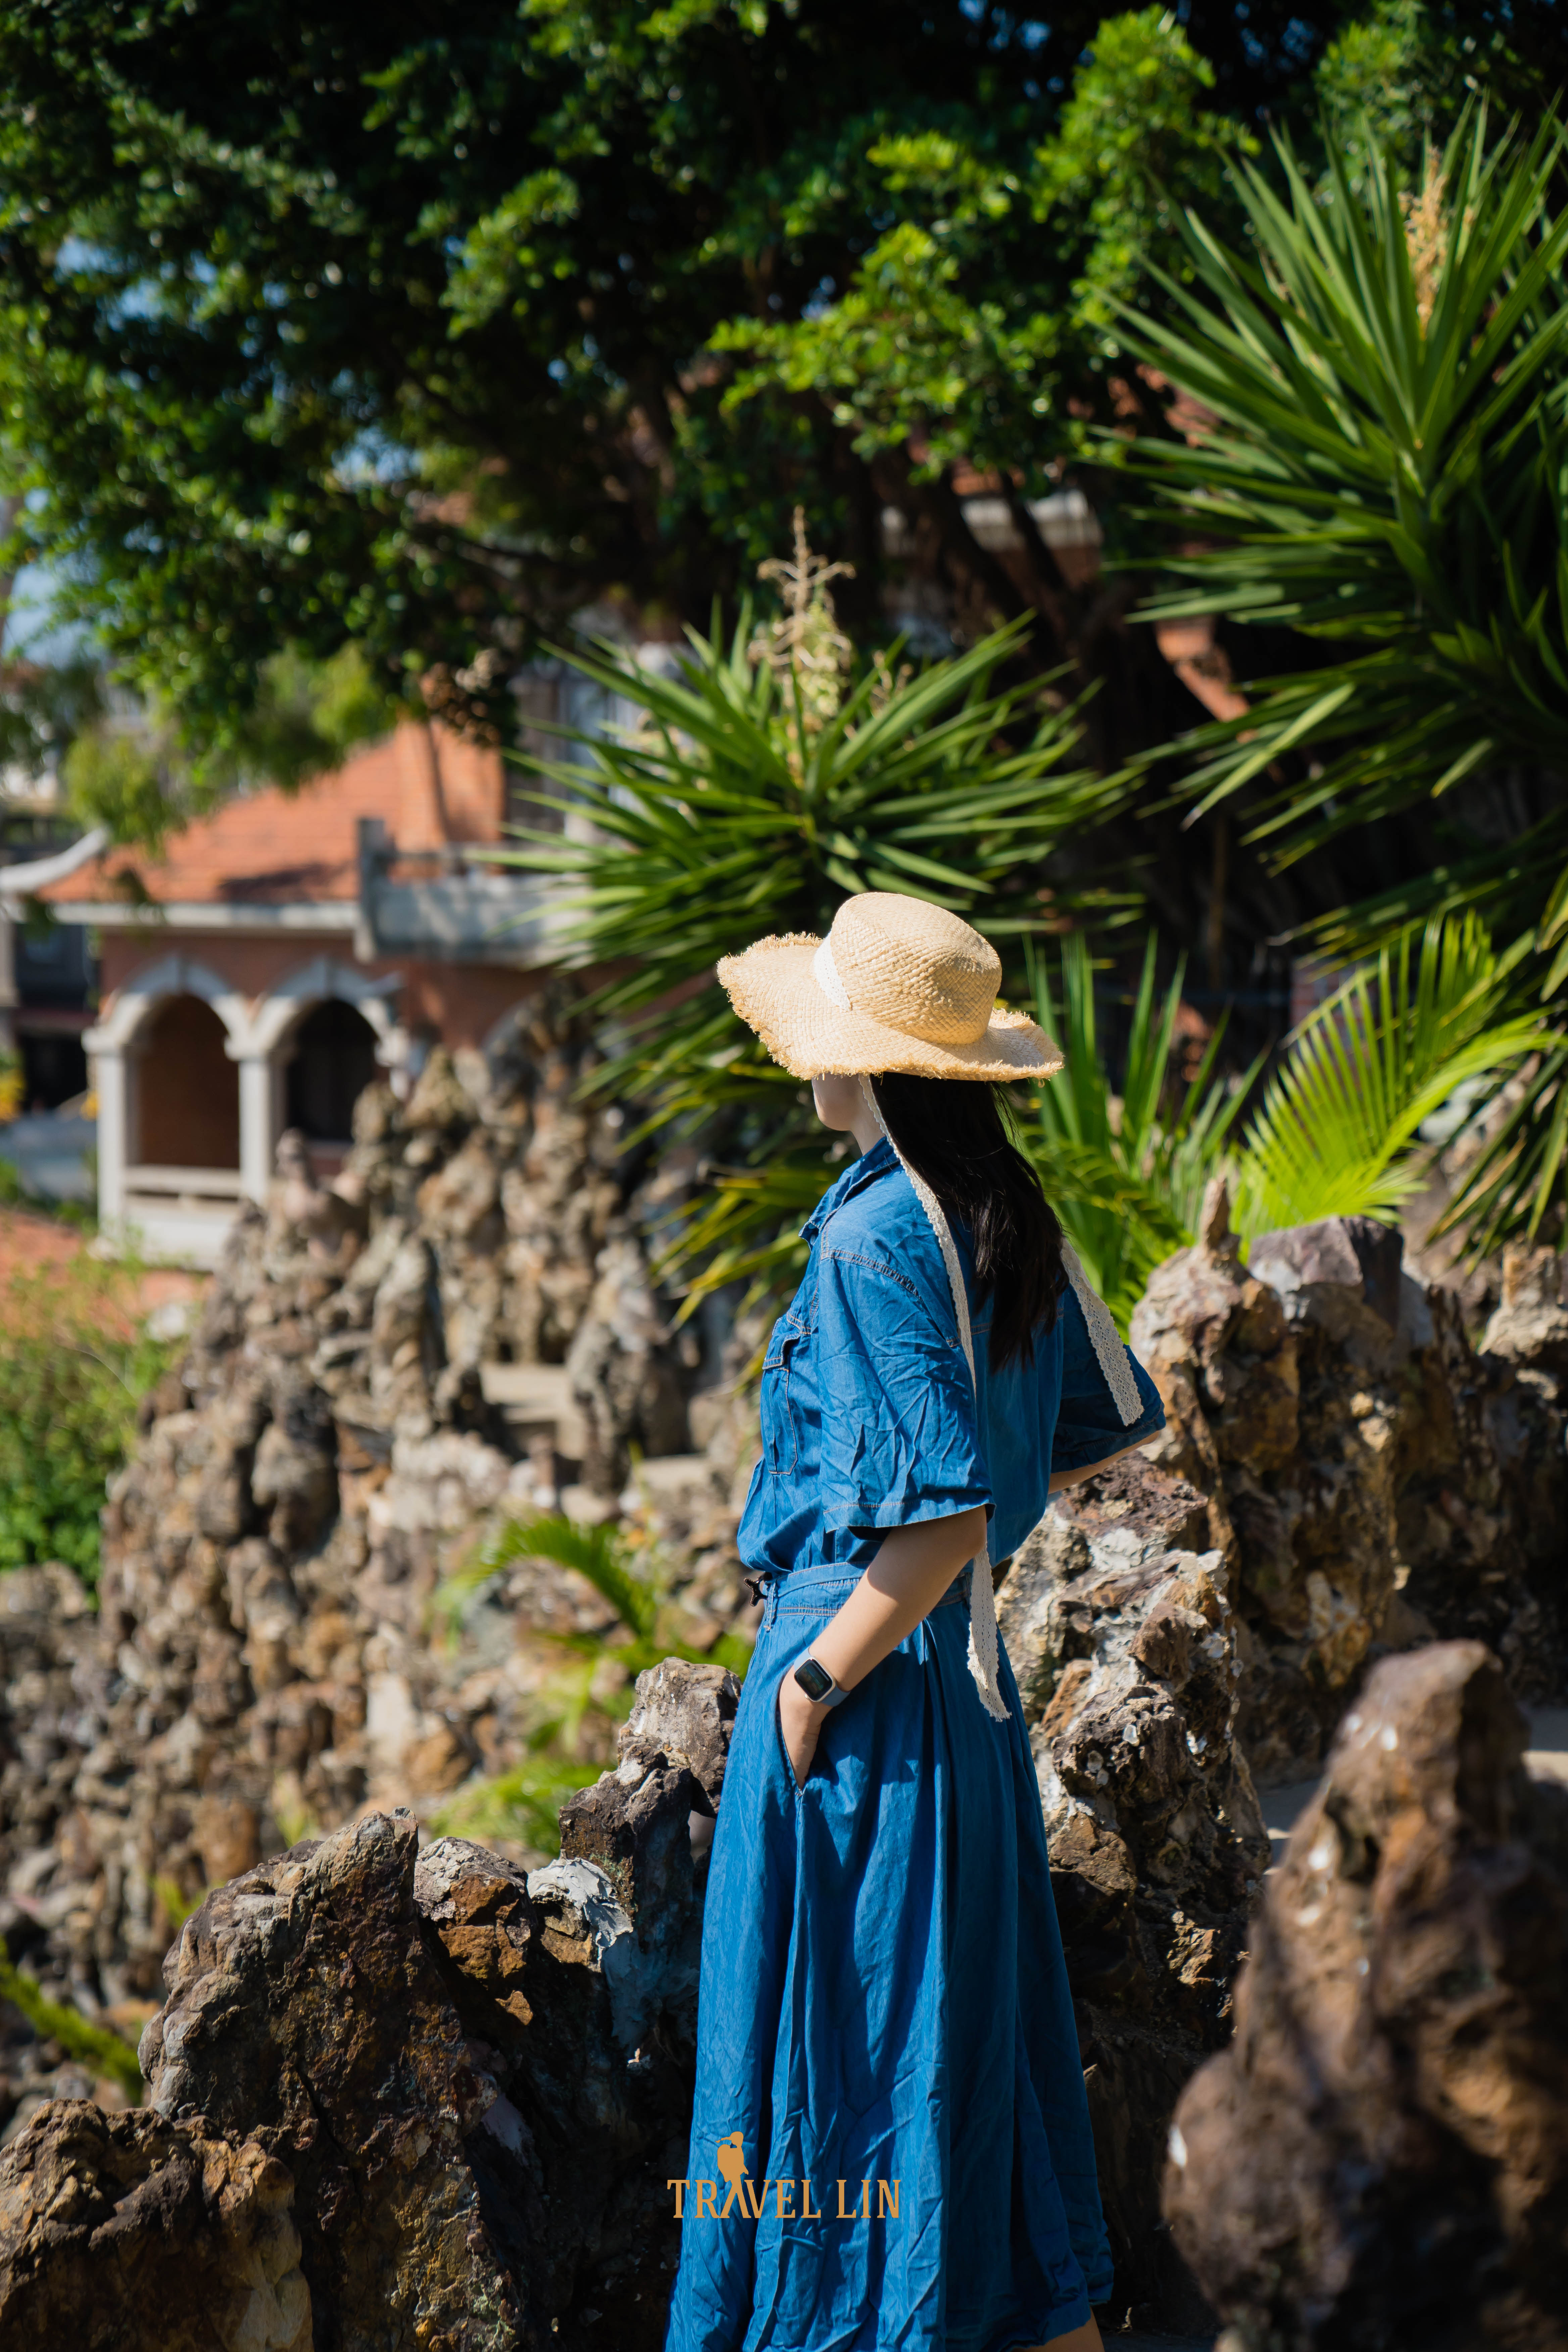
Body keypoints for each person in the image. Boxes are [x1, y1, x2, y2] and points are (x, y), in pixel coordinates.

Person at [665, 893, 1167, 2352]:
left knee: (841, 2057)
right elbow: (1087, 1431)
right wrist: (972, 1542)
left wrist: (814, 1676)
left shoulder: (870, 1241)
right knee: (964, 2052)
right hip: (965, 1693)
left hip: (868, 1687)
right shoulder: (999, 1214)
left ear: (870, 1063)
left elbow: (938, 1516)